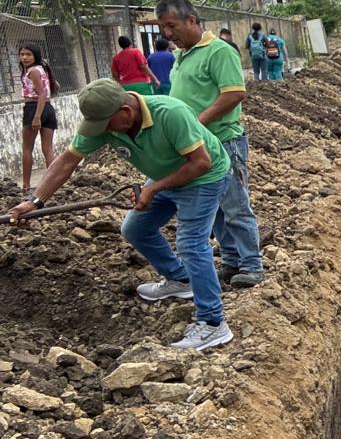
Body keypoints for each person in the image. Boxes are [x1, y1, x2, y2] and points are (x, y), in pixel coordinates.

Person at [8, 79, 234, 351]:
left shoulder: (171, 113)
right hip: (166, 175)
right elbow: (67, 162)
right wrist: (34, 202)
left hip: (204, 177)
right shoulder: (106, 124)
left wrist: (153, 188)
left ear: (126, 112)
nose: (103, 132)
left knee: (191, 244)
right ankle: (180, 279)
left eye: (106, 125)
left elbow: (201, 162)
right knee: (135, 229)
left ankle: (213, 323)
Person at [156, 0, 265, 289]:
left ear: (191, 20)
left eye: (172, 25)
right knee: (214, 207)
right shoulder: (182, 56)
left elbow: (234, 93)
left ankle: (252, 264)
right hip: (197, 146)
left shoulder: (219, 51)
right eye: (163, 27)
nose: (167, 33)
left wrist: (195, 124)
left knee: (235, 205)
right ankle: (231, 260)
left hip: (224, 141)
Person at [17, 44, 58, 192]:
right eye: (22, 54)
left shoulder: (33, 71)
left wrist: (36, 117)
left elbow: (41, 95)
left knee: (27, 148)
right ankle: (54, 183)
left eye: (28, 54)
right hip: (48, 108)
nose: (24, 57)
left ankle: (26, 185)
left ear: (35, 56)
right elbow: (54, 87)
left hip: (34, 108)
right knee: (48, 149)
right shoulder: (42, 69)